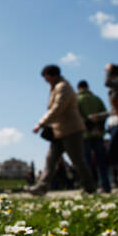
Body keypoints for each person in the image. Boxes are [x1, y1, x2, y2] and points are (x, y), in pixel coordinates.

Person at [28, 65, 96, 196]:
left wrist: (41, 123)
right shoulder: (55, 88)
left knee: (77, 160)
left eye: (46, 77)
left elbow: (58, 107)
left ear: (52, 75)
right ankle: (41, 187)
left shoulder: (63, 87)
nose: (45, 81)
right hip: (58, 131)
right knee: (50, 160)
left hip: (71, 129)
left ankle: (89, 186)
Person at [76, 80, 111, 192]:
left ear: (79, 88)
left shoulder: (77, 99)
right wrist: (98, 125)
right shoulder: (97, 98)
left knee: (86, 162)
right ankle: (105, 186)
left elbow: (76, 116)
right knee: (101, 161)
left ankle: (90, 187)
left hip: (84, 134)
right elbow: (105, 113)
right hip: (98, 133)